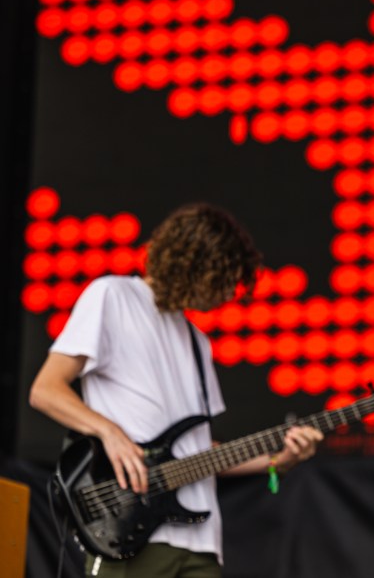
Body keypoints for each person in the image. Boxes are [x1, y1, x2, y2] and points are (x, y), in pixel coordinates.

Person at [29, 203, 324, 577]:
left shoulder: (198, 342)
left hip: (202, 543)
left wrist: (275, 462)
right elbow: (46, 390)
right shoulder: (113, 295)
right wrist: (110, 432)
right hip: (131, 531)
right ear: (195, 264)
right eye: (222, 279)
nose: (226, 295)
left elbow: (198, 452)